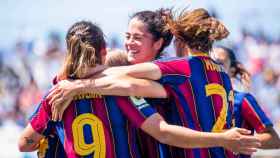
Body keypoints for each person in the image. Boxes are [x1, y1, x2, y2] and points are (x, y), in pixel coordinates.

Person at [18, 21, 260, 158]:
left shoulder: (56, 95)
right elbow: (163, 131)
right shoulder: (121, 92)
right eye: (127, 36)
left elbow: (25, 143)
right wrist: (222, 139)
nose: (129, 43)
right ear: (104, 50)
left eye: (136, 36)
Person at [212, 46, 280, 157]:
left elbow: (274, 139)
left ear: (232, 71)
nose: (212, 67)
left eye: (219, 63)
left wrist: (238, 140)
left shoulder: (242, 100)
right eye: (208, 62)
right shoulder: (194, 97)